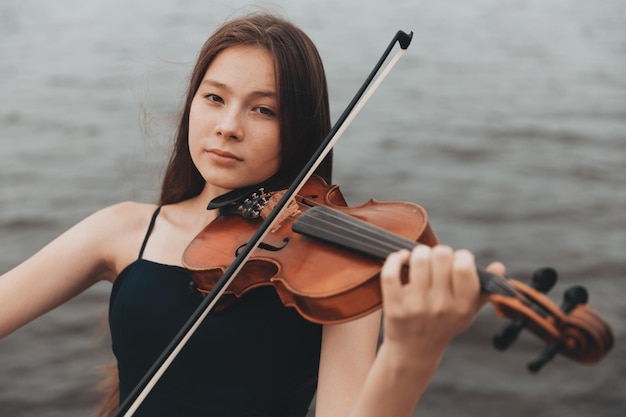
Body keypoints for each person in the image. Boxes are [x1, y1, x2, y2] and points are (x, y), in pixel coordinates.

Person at [0, 12, 505, 417]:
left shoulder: (339, 268)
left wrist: (411, 355)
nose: (228, 127)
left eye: (263, 110)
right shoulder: (123, 229)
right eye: (215, 98)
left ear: (301, 130)